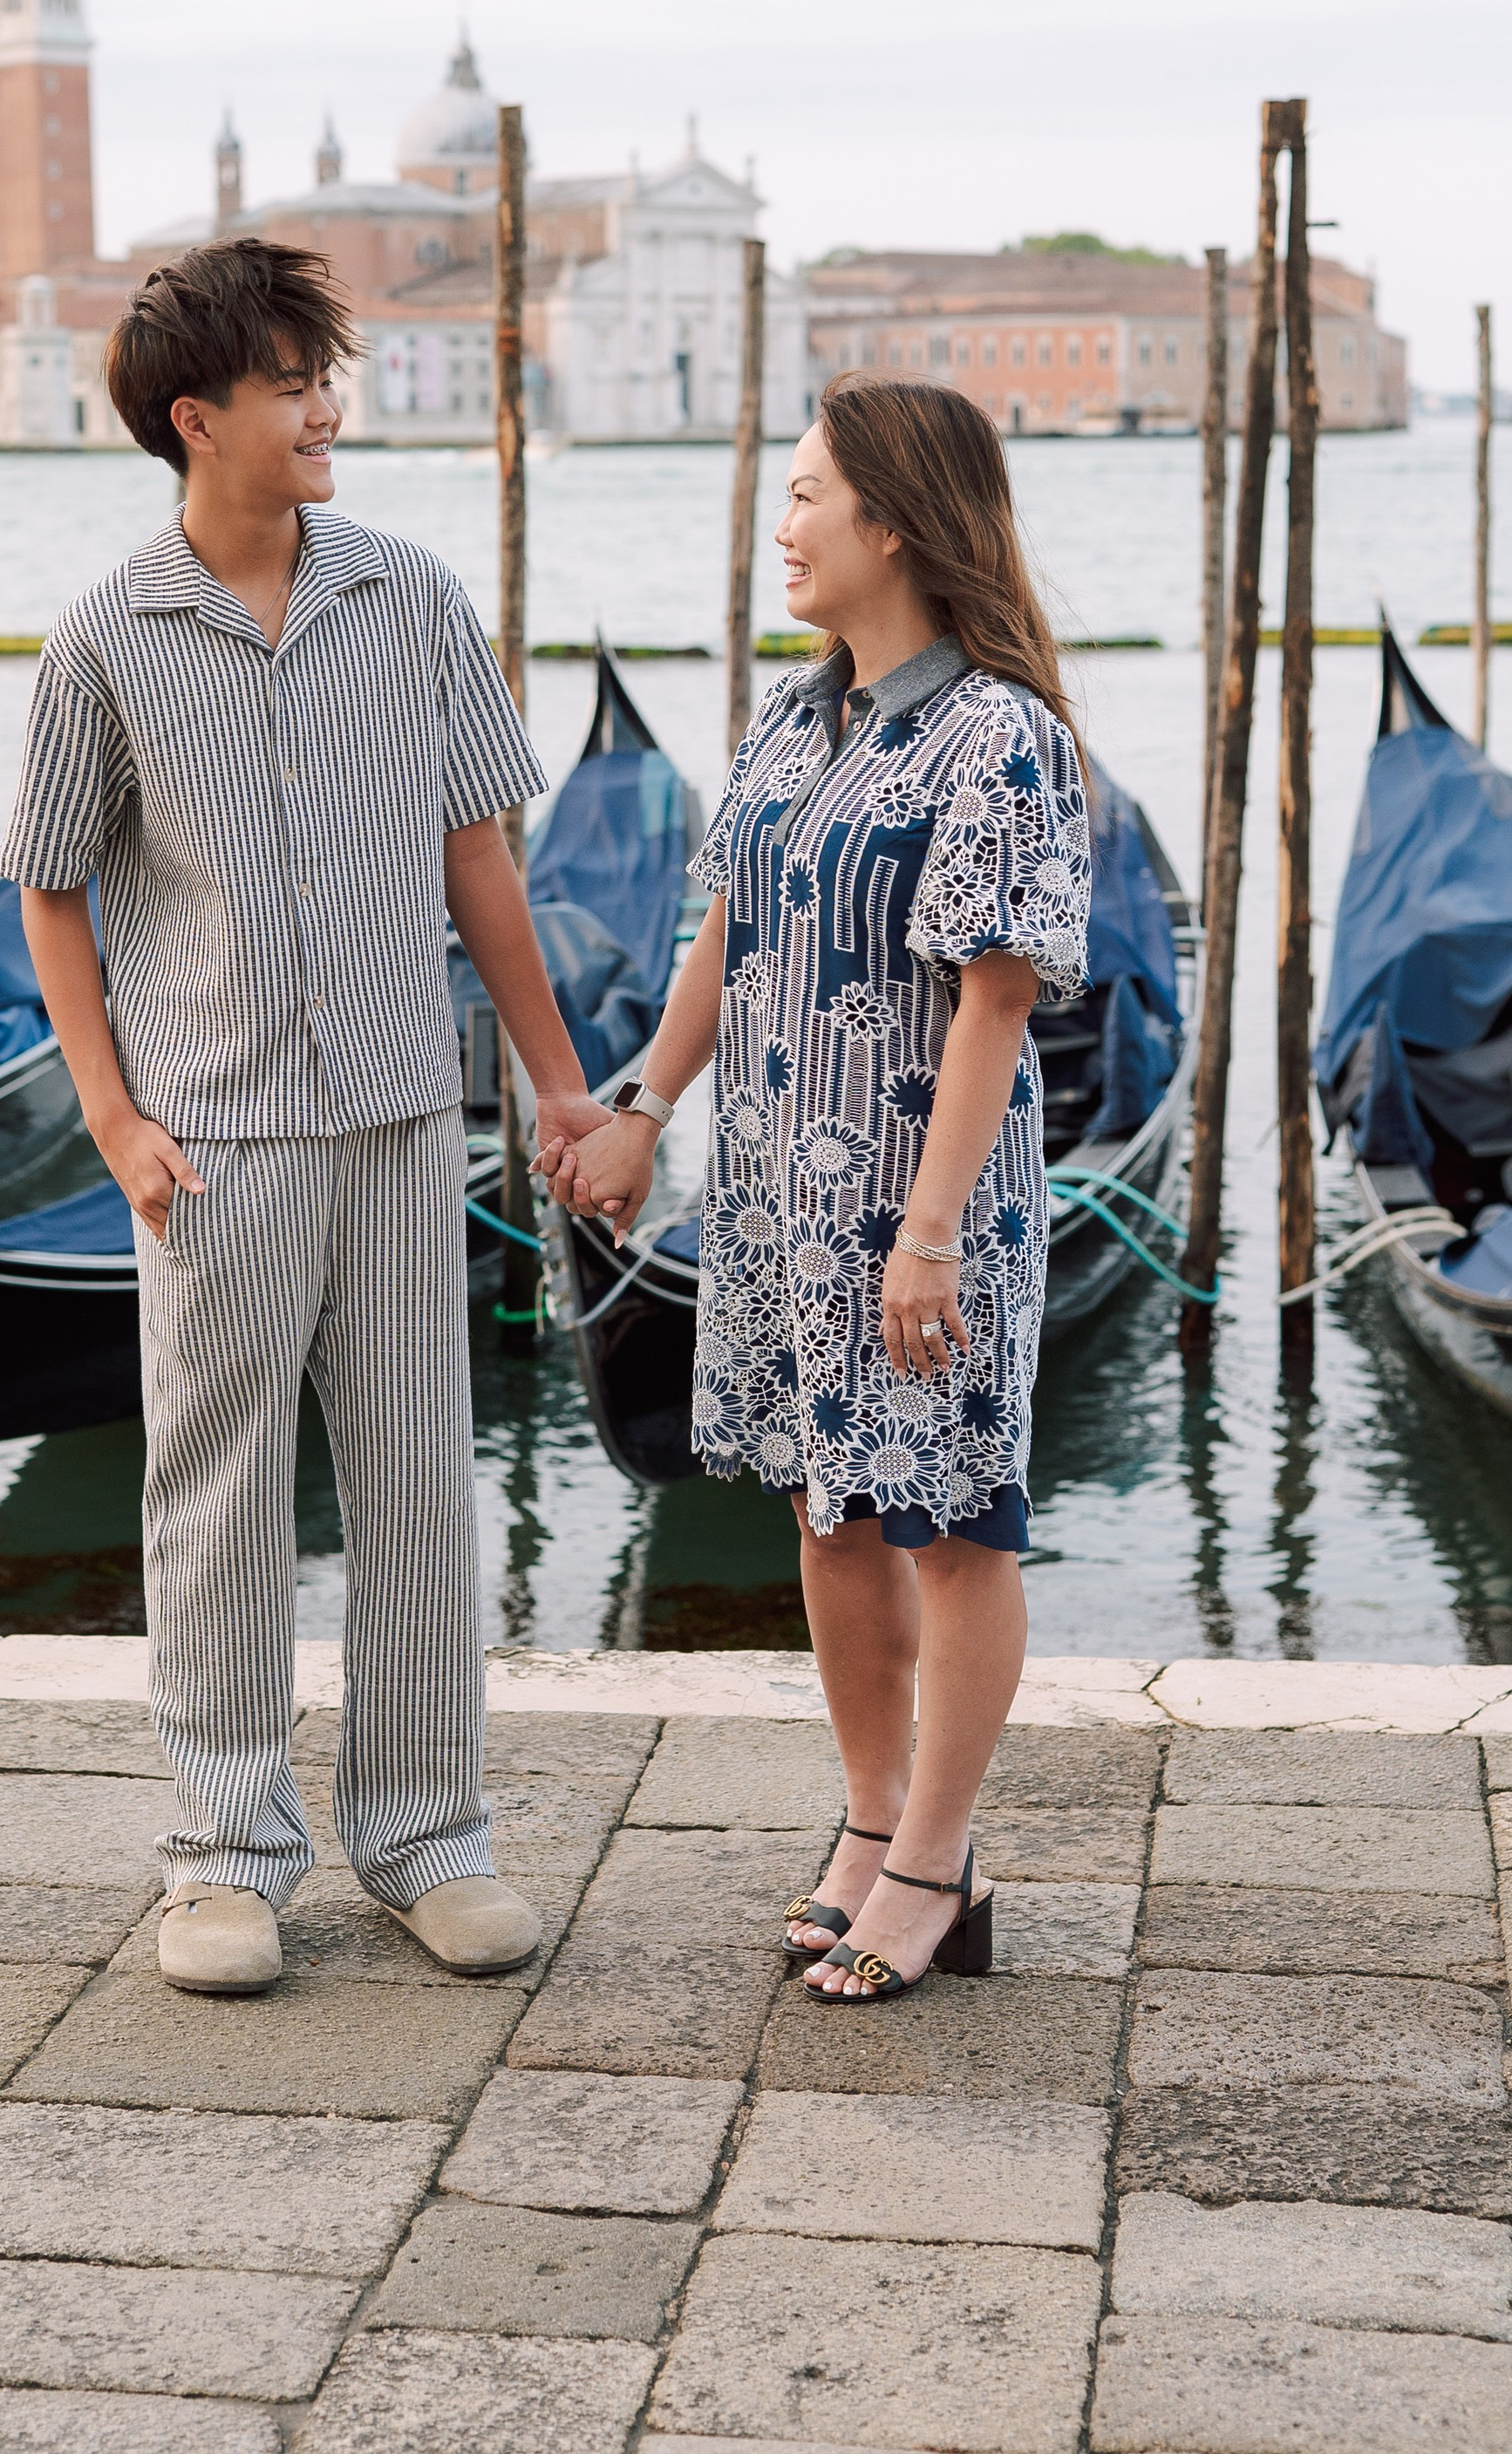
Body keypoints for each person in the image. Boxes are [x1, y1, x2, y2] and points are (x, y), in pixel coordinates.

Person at [1, 240, 610, 1995]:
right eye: (291, 385)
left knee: (417, 1480)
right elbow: (51, 884)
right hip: (211, 1140)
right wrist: (110, 1118)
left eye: (323, 378)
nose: (325, 409)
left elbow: (478, 851)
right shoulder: (104, 637)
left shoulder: (409, 597)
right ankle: (221, 1854)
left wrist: (557, 1081)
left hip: (401, 1113)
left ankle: (429, 1838)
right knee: (216, 1495)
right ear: (197, 419)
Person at [558, 375, 1091, 2002]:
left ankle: (936, 1863)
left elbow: (995, 1001)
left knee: (957, 1526)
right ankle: (871, 1822)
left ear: (899, 522)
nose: (780, 526)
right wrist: (645, 1106)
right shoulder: (795, 719)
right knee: (829, 1507)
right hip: (779, 1202)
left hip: (930, 1209)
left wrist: (928, 1236)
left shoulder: (1001, 735)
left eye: (806, 495)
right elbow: (724, 938)